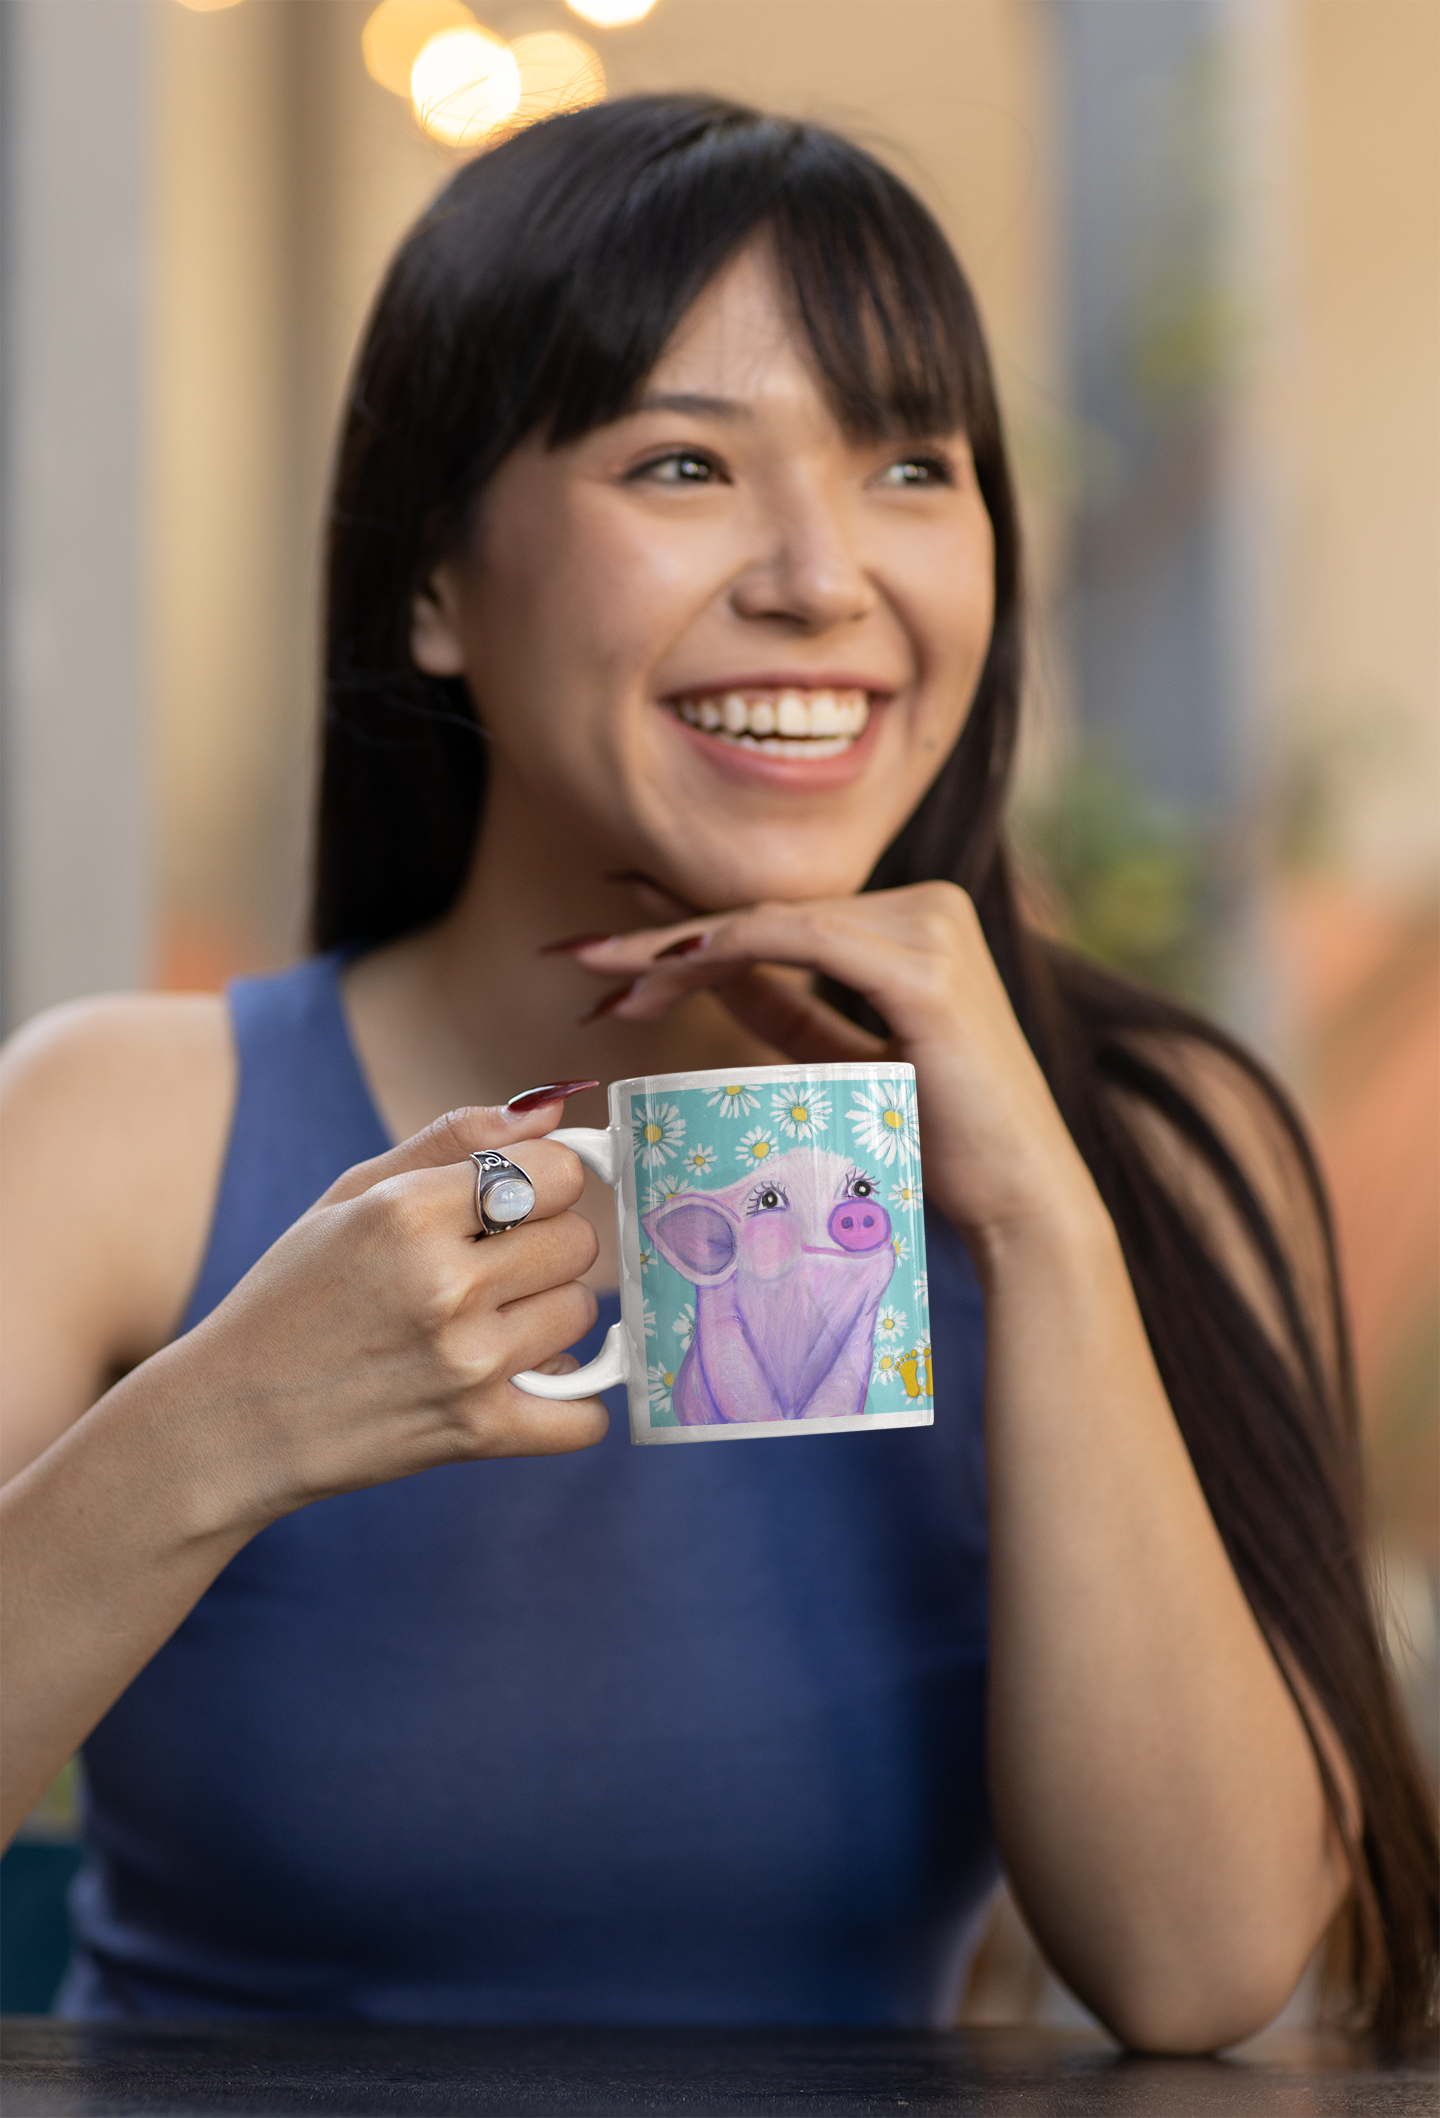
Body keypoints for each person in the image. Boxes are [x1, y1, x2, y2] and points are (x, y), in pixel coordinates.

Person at [0, 94, 1435, 2046]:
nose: (822, 575)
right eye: (685, 461)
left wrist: (1038, 1213)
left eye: (912, 465)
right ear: (434, 584)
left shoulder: (1149, 1148)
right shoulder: (117, 1131)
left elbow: (1196, 1976)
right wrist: (225, 1428)